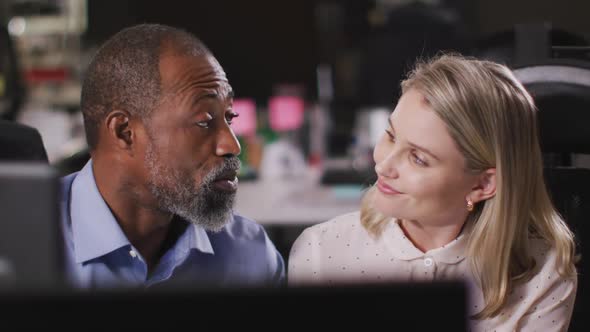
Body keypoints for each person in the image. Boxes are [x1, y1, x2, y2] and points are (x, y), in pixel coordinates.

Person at [288, 54, 577, 330]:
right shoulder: (319, 252)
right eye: (390, 136)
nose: (384, 165)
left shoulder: (545, 272)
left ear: (482, 185)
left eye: (418, 158)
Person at [60, 24, 285, 288]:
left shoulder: (250, 258)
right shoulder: (18, 241)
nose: (232, 146)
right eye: (204, 122)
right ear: (124, 132)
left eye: (229, 117)